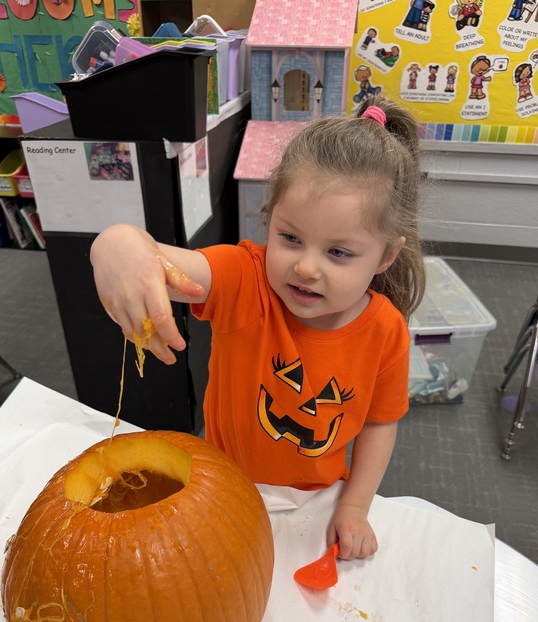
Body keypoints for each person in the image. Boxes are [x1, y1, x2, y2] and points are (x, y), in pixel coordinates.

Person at [90, 96, 426, 561]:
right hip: (219, 488)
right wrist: (117, 244)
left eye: (338, 253)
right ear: (270, 220)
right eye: (290, 238)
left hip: (314, 506)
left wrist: (353, 507)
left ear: (386, 256)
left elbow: (378, 424)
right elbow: (165, 264)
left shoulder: (386, 331)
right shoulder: (246, 279)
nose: (306, 268)